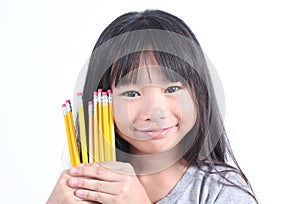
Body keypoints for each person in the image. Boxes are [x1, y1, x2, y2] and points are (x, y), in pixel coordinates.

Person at [47, 9, 258, 204]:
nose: (155, 112)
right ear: (103, 101)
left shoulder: (220, 190)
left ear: (199, 92)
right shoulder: (87, 187)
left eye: (172, 88)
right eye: (132, 93)